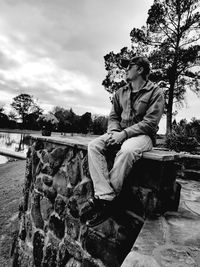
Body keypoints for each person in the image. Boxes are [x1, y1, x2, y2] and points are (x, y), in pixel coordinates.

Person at [82, 56, 165, 226]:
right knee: (94, 146)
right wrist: (114, 133)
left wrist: (124, 134)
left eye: (129, 66)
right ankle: (106, 196)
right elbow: (113, 117)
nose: (126, 69)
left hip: (143, 136)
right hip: (119, 133)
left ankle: (104, 203)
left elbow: (150, 123)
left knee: (127, 150)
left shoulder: (156, 93)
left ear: (140, 69)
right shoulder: (120, 92)